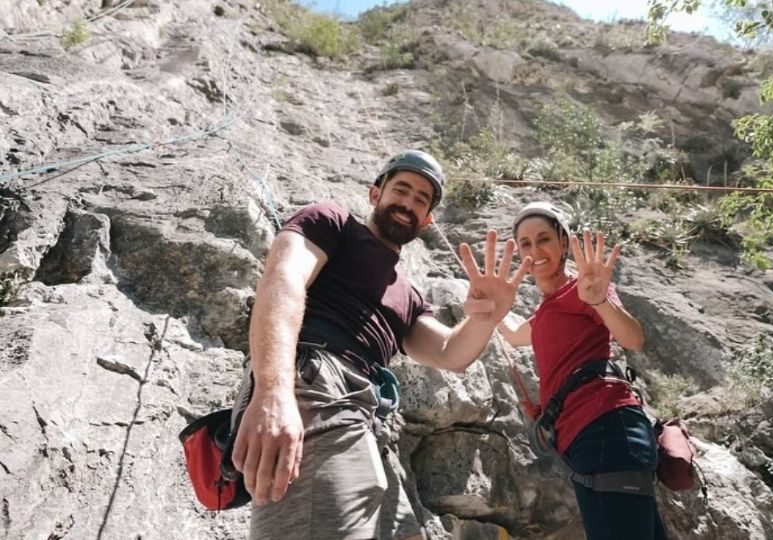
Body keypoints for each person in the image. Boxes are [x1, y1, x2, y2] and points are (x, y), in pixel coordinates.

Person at [230, 149, 531, 540]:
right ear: (375, 194)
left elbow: (449, 353)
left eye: (421, 200)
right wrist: (273, 390)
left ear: (427, 220)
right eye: (401, 189)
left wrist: (487, 317)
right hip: (314, 386)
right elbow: (283, 280)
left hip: (365, 417)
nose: (408, 203)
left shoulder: (408, 295)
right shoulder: (331, 222)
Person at [497, 201, 667, 540]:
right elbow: (516, 337)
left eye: (543, 238)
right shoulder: (547, 310)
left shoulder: (584, 289)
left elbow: (633, 339)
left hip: (604, 428)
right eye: (525, 244)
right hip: (593, 436)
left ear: (563, 243)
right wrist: (487, 308)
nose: (535, 250)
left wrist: (600, 301)